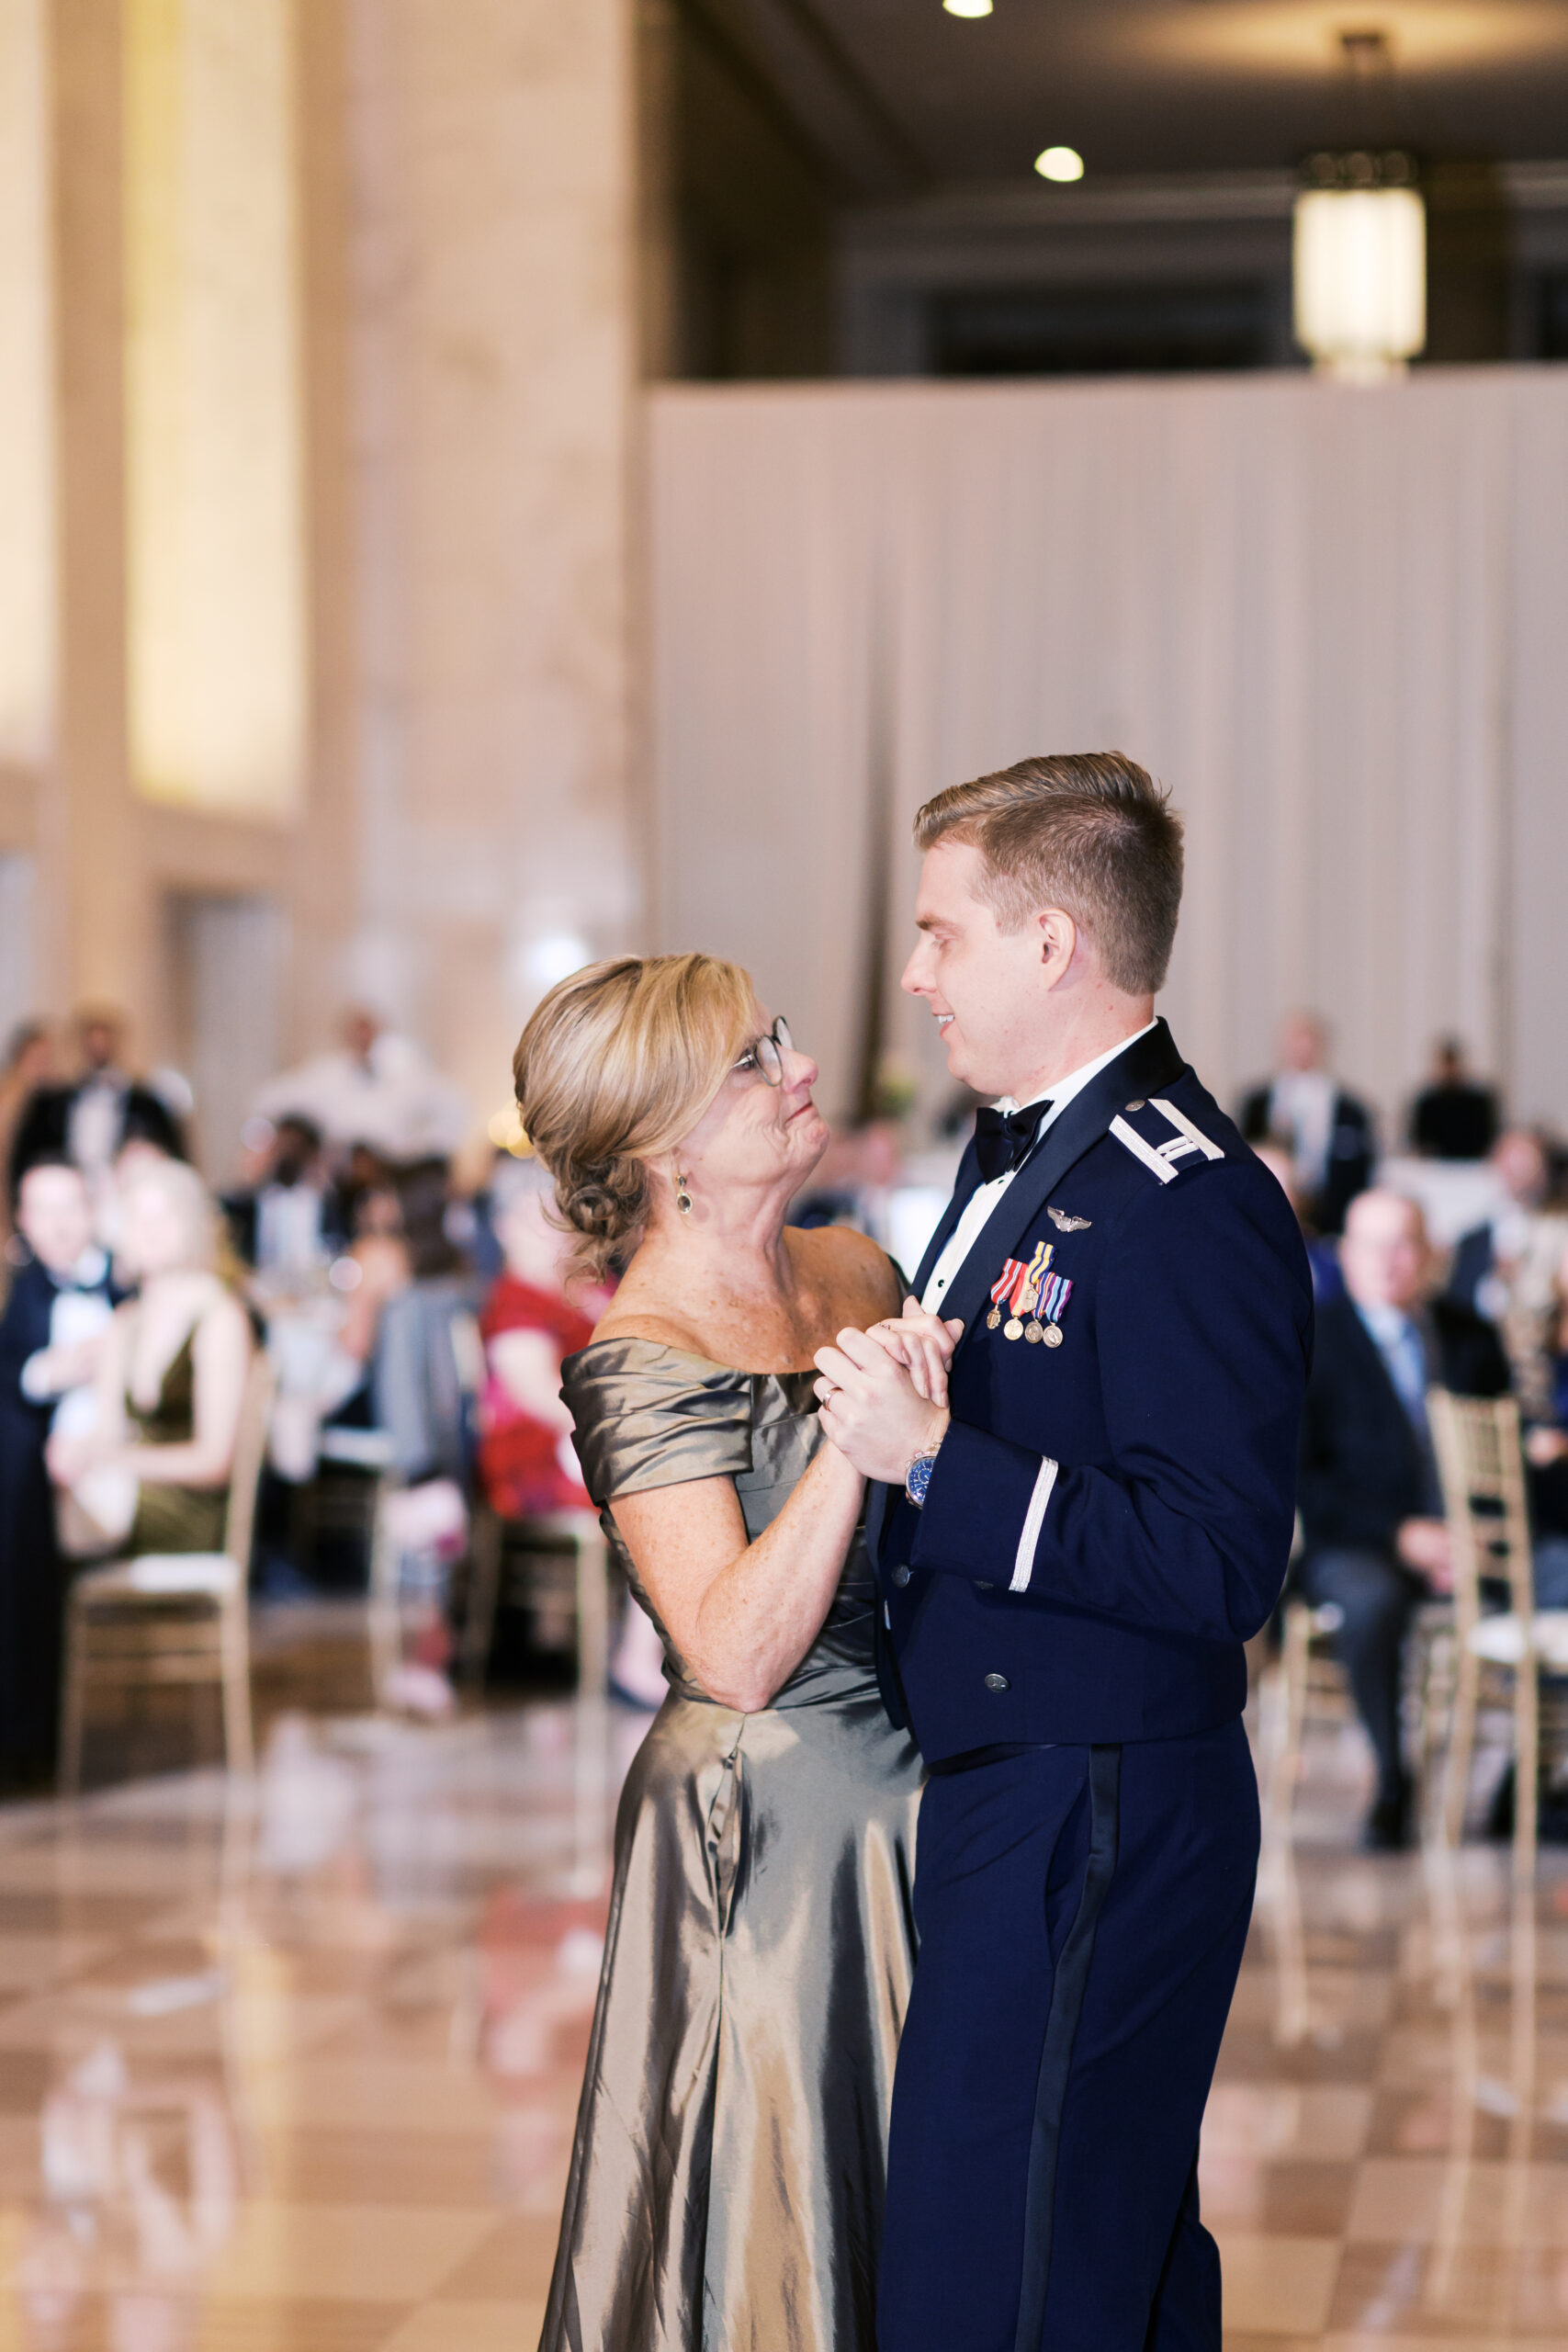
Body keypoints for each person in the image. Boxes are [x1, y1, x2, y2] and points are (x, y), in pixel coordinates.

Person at [812, 752, 1312, 2352]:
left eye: (941, 933)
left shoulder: (1180, 1196)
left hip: (1088, 1795)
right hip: (1024, 1781)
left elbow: (1220, 1557)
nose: (913, 973)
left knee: (1001, 2280)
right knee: (1074, 2257)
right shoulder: (1031, 1153)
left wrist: (939, 1465)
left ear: (1050, 948)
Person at [514, 952, 921, 2352]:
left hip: (918, 1801)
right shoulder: (640, 1353)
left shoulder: (853, 1266)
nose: (800, 1068)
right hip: (770, 1829)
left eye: (780, 1039)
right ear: (659, 1147)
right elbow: (732, 1653)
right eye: (753, 1060)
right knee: (774, 2217)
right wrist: (854, 1440)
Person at [1297, 1189, 1509, 1850]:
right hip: (1359, 1543)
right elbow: (1302, 1478)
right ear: (1346, 1256)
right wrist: (1401, 1535)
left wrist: (1474, 1533)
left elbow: (1506, 1455)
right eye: (1373, 1246)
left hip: (1475, 1542)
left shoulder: (1468, 1335)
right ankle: (1393, 1778)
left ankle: (1526, 1783)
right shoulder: (1314, 1341)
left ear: (1430, 1254)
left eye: (1405, 1244)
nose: (1390, 1262)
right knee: (1371, 1602)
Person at [50, 1157, 252, 1555]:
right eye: (138, 1218)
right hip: (123, 1495)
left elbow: (213, 1462)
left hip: (183, 1509)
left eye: (163, 1217)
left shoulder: (218, 1317)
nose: (149, 1231)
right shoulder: (126, 1322)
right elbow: (107, 1430)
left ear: (190, 1222)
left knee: (46, 1517)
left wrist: (118, 1461)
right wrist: (78, 1450)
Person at [0, 1159, 117, 1779]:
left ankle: (27, 1731)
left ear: (92, 1211)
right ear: (22, 1221)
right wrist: (55, 1370)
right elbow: (17, 1369)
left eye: (69, 1206)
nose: (58, 1224)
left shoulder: (123, 1284)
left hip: (110, 1456)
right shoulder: (23, 1289)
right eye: (41, 1210)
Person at [1447, 1127, 1568, 1419]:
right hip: (1483, 1391)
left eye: (1528, 1163)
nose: (1518, 1173)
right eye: (1510, 1162)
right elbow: (1457, 1312)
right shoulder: (1472, 1241)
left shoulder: (1560, 1231)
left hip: (1547, 1388)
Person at [250, 1007, 469, 1163]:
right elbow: (268, 1100)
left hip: (389, 1170)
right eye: (357, 1033)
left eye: (368, 1032)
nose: (362, 1039)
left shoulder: (406, 1075)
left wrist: (421, 1151)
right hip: (339, 1174)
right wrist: (269, 1145)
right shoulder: (324, 1075)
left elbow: (455, 1105)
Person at [7, 1007, 186, 1199]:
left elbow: (175, 1159)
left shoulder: (147, 1104)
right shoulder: (50, 1105)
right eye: (93, 1045)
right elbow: (24, 1159)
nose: (98, 1052)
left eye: (104, 1045)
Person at [1239, 1010, 1375, 1235]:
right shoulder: (1256, 1103)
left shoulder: (1351, 1109)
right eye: (1295, 1039)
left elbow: (1362, 1169)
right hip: (1267, 1211)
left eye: (1309, 1039)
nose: (1302, 1047)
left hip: (1331, 1217)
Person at [0, 1020, 56, 1251]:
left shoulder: (36, 1095)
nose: (46, 1067)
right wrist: (6, 1225)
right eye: (39, 1059)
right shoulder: (13, 1092)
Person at [1409, 1035, 1499, 1161]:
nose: (1450, 1069)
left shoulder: (1478, 1102)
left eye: (1452, 1064)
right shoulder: (1428, 1102)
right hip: (1436, 1166)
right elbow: (1419, 1141)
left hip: (1473, 1164)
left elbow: (1489, 1139)